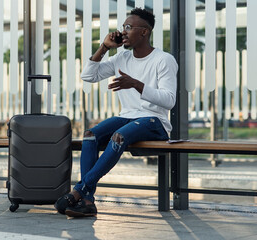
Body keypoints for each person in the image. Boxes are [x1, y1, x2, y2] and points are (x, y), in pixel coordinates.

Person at [54, 7, 178, 218]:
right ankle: (87, 200)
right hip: (127, 116)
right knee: (90, 135)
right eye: (123, 27)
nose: (123, 31)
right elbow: (88, 76)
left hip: (154, 121)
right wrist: (104, 47)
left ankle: (79, 190)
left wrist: (137, 85)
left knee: (118, 136)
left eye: (129, 27)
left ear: (144, 32)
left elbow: (169, 100)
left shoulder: (164, 60)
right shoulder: (122, 58)